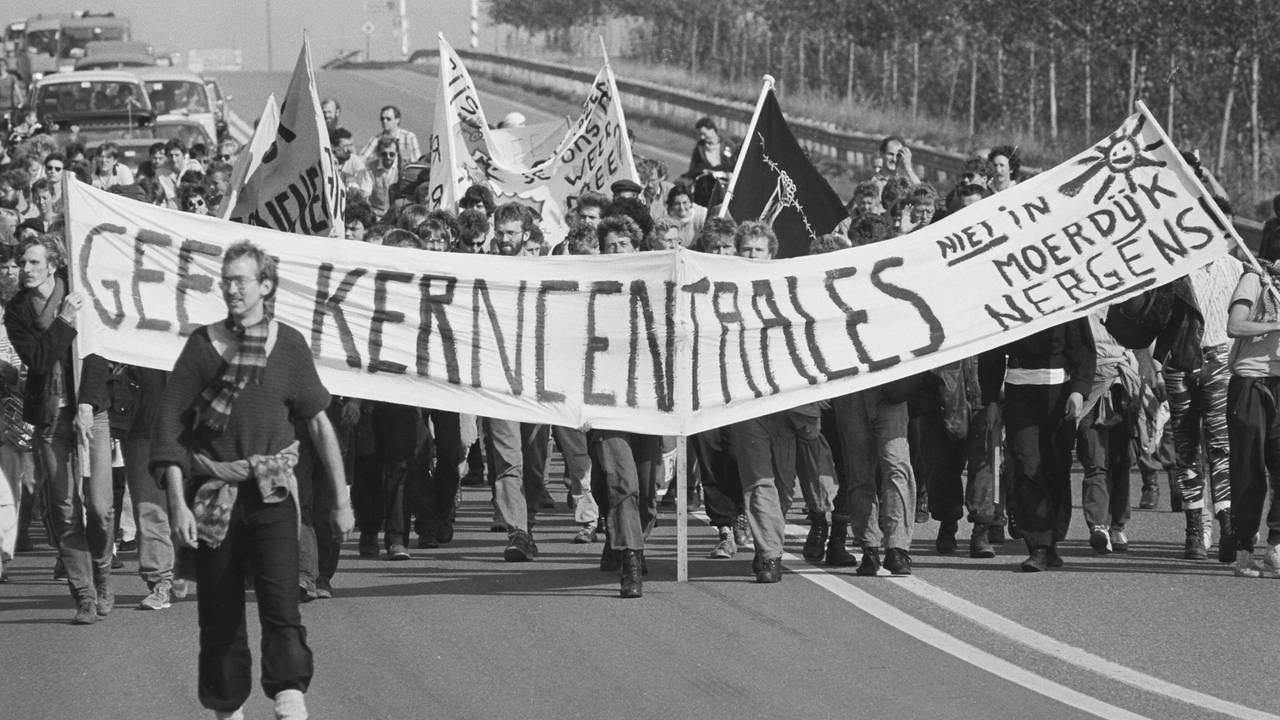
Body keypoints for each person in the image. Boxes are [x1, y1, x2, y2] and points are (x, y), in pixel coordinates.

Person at [153, 240, 353, 719]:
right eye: (226, 280)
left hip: (273, 492)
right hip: (213, 499)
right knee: (219, 616)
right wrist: (178, 504)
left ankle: (290, 703)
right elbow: (171, 435)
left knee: (282, 606)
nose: (231, 289)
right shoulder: (201, 349)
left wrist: (340, 499)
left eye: (240, 280)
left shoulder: (288, 346)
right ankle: (227, 710)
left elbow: (320, 423)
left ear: (265, 285)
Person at [5, 234, 102, 623]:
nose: (24, 270)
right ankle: (85, 594)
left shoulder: (82, 293)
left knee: (100, 506)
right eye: (22, 262)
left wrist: (88, 402)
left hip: (87, 410)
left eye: (32, 262)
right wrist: (64, 319)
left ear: (52, 264)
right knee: (63, 506)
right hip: (47, 415)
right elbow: (40, 359)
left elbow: (96, 353)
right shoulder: (16, 311)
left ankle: (104, 577)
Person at [980, 318, 1095, 572]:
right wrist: (991, 400)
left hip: (1058, 395)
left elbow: (1082, 348)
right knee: (1025, 464)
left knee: (1056, 467)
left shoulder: (1063, 294)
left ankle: (1052, 538)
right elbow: (992, 349)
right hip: (1019, 394)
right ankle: (1038, 546)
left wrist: (1078, 390)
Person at [592, 215, 662, 597]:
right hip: (606, 401)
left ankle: (625, 535)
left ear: (637, 249)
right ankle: (631, 560)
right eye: (610, 246)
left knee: (648, 492)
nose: (617, 252)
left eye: (623, 245)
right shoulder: (590, 292)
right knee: (622, 482)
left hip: (649, 403)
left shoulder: (655, 289)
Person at [681, 117, 734, 206]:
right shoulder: (700, 148)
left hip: (726, 181)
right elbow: (693, 168)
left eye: (704, 134)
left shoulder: (728, 145)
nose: (702, 137)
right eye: (700, 135)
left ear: (712, 130)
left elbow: (734, 165)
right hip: (706, 184)